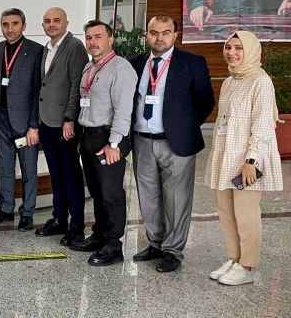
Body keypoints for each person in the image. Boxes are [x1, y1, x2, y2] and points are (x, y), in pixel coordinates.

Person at [129, 15, 215, 273]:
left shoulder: (192, 63)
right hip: (142, 140)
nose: (159, 37)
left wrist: (184, 126)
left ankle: (173, 250)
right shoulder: (135, 64)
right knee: (148, 197)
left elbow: (205, 101)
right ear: (146, 35)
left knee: (177, 199)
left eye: (165, 32)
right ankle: (155, 243)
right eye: (154, 32)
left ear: (175, 35)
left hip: (176, 142)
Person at [206, 30, 284, 285]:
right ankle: (234, 258)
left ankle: (248, 265)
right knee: (226, 211)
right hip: (226, 155)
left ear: (250, 50)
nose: (232, 53)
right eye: (228, 47)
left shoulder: (260, 81)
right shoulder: (230, 81)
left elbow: (263, 124)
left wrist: (252, 160)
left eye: (238, 48)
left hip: (246, 159)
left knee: (246, 213)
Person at [71, 20, 138, 266]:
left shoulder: (121, 68)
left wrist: (114, 144)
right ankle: (99, 235)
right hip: (89, 137)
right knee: (97, 191)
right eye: (89, 37)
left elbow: (123, 110)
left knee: (111, 193)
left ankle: (114, 245)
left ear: (111, 40)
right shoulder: (89, 67)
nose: (93, 42)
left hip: (109, 139)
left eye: (98, 37)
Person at [35, 7, 89, 244]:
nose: (52, 24)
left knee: (70, 175)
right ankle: (59, 218)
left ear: (67, 22)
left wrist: (70, 118)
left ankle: (77, 226)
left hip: (64, 124)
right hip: (47, 121)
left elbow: (77, 85)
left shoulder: (74, 47)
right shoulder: (46, 48)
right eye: (47, 21)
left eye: (57, 20)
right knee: (56, 175)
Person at [0, 8, 43, 231]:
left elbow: (38, 90)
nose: (10, 29)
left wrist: (34, 125)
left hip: (25, 121)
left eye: (15, 24)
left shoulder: (37, 50)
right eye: (5, 24)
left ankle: (27, 212)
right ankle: (6, 208)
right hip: (0, 119)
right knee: (4, 167)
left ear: (24, 26)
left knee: (29, 170)